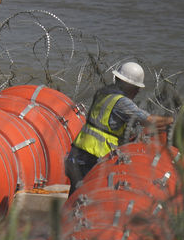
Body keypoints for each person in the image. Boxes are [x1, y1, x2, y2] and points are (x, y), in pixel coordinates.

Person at [65, 62, 173, 195]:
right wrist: (173, 121)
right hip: (90, 159)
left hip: (77, 155)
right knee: (87, 200)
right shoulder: (121, 102)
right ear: (128, 85)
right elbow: (149, 121)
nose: (138, 91)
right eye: (136, 87)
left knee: (75, 200)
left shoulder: (104, 95)